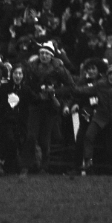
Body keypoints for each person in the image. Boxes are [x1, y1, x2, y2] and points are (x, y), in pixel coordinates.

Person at [25, 41, 75, 174]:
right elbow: (27, 85)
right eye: (41, 53)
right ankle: (29, 165)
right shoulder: (31, 67)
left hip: (50, 106)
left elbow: (71, 86)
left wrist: (54, 91)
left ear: (51, 55)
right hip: (35, 103)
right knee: (31, 136)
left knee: (44, 139)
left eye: (47, 53)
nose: (44, 56)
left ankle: (44, 167)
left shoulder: (59, 69)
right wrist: (35, 94)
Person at [72, 64, 112, 176]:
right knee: (88, 136)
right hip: (101, 115)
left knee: (111, 145)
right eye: (111, 74)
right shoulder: (100, 84)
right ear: (107, 76)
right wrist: (74, 88)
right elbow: (86, 90)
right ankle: (88, 161)